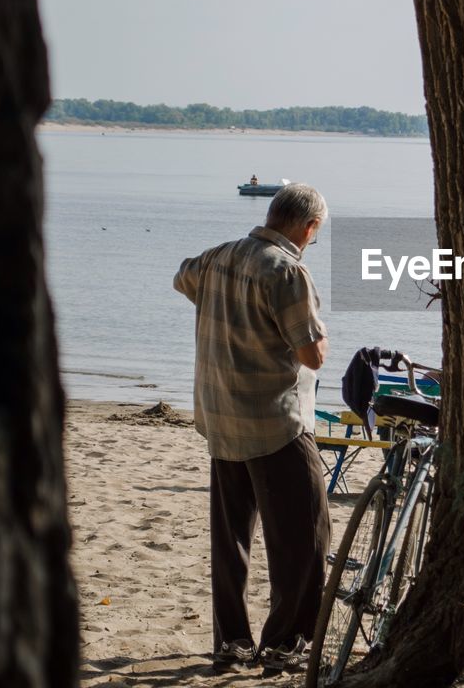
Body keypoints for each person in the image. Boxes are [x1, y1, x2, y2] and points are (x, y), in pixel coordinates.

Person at [172, 183, 332, 674]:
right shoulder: (286, 271)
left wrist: (229, 316)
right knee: (306, 538)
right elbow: (313, 355)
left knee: (231, 540)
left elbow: (182, 279)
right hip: (275, 424)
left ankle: (232, 642)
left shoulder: (217, 257)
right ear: (308, 228)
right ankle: (285, 643)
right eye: (316, 235)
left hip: (221, 419)